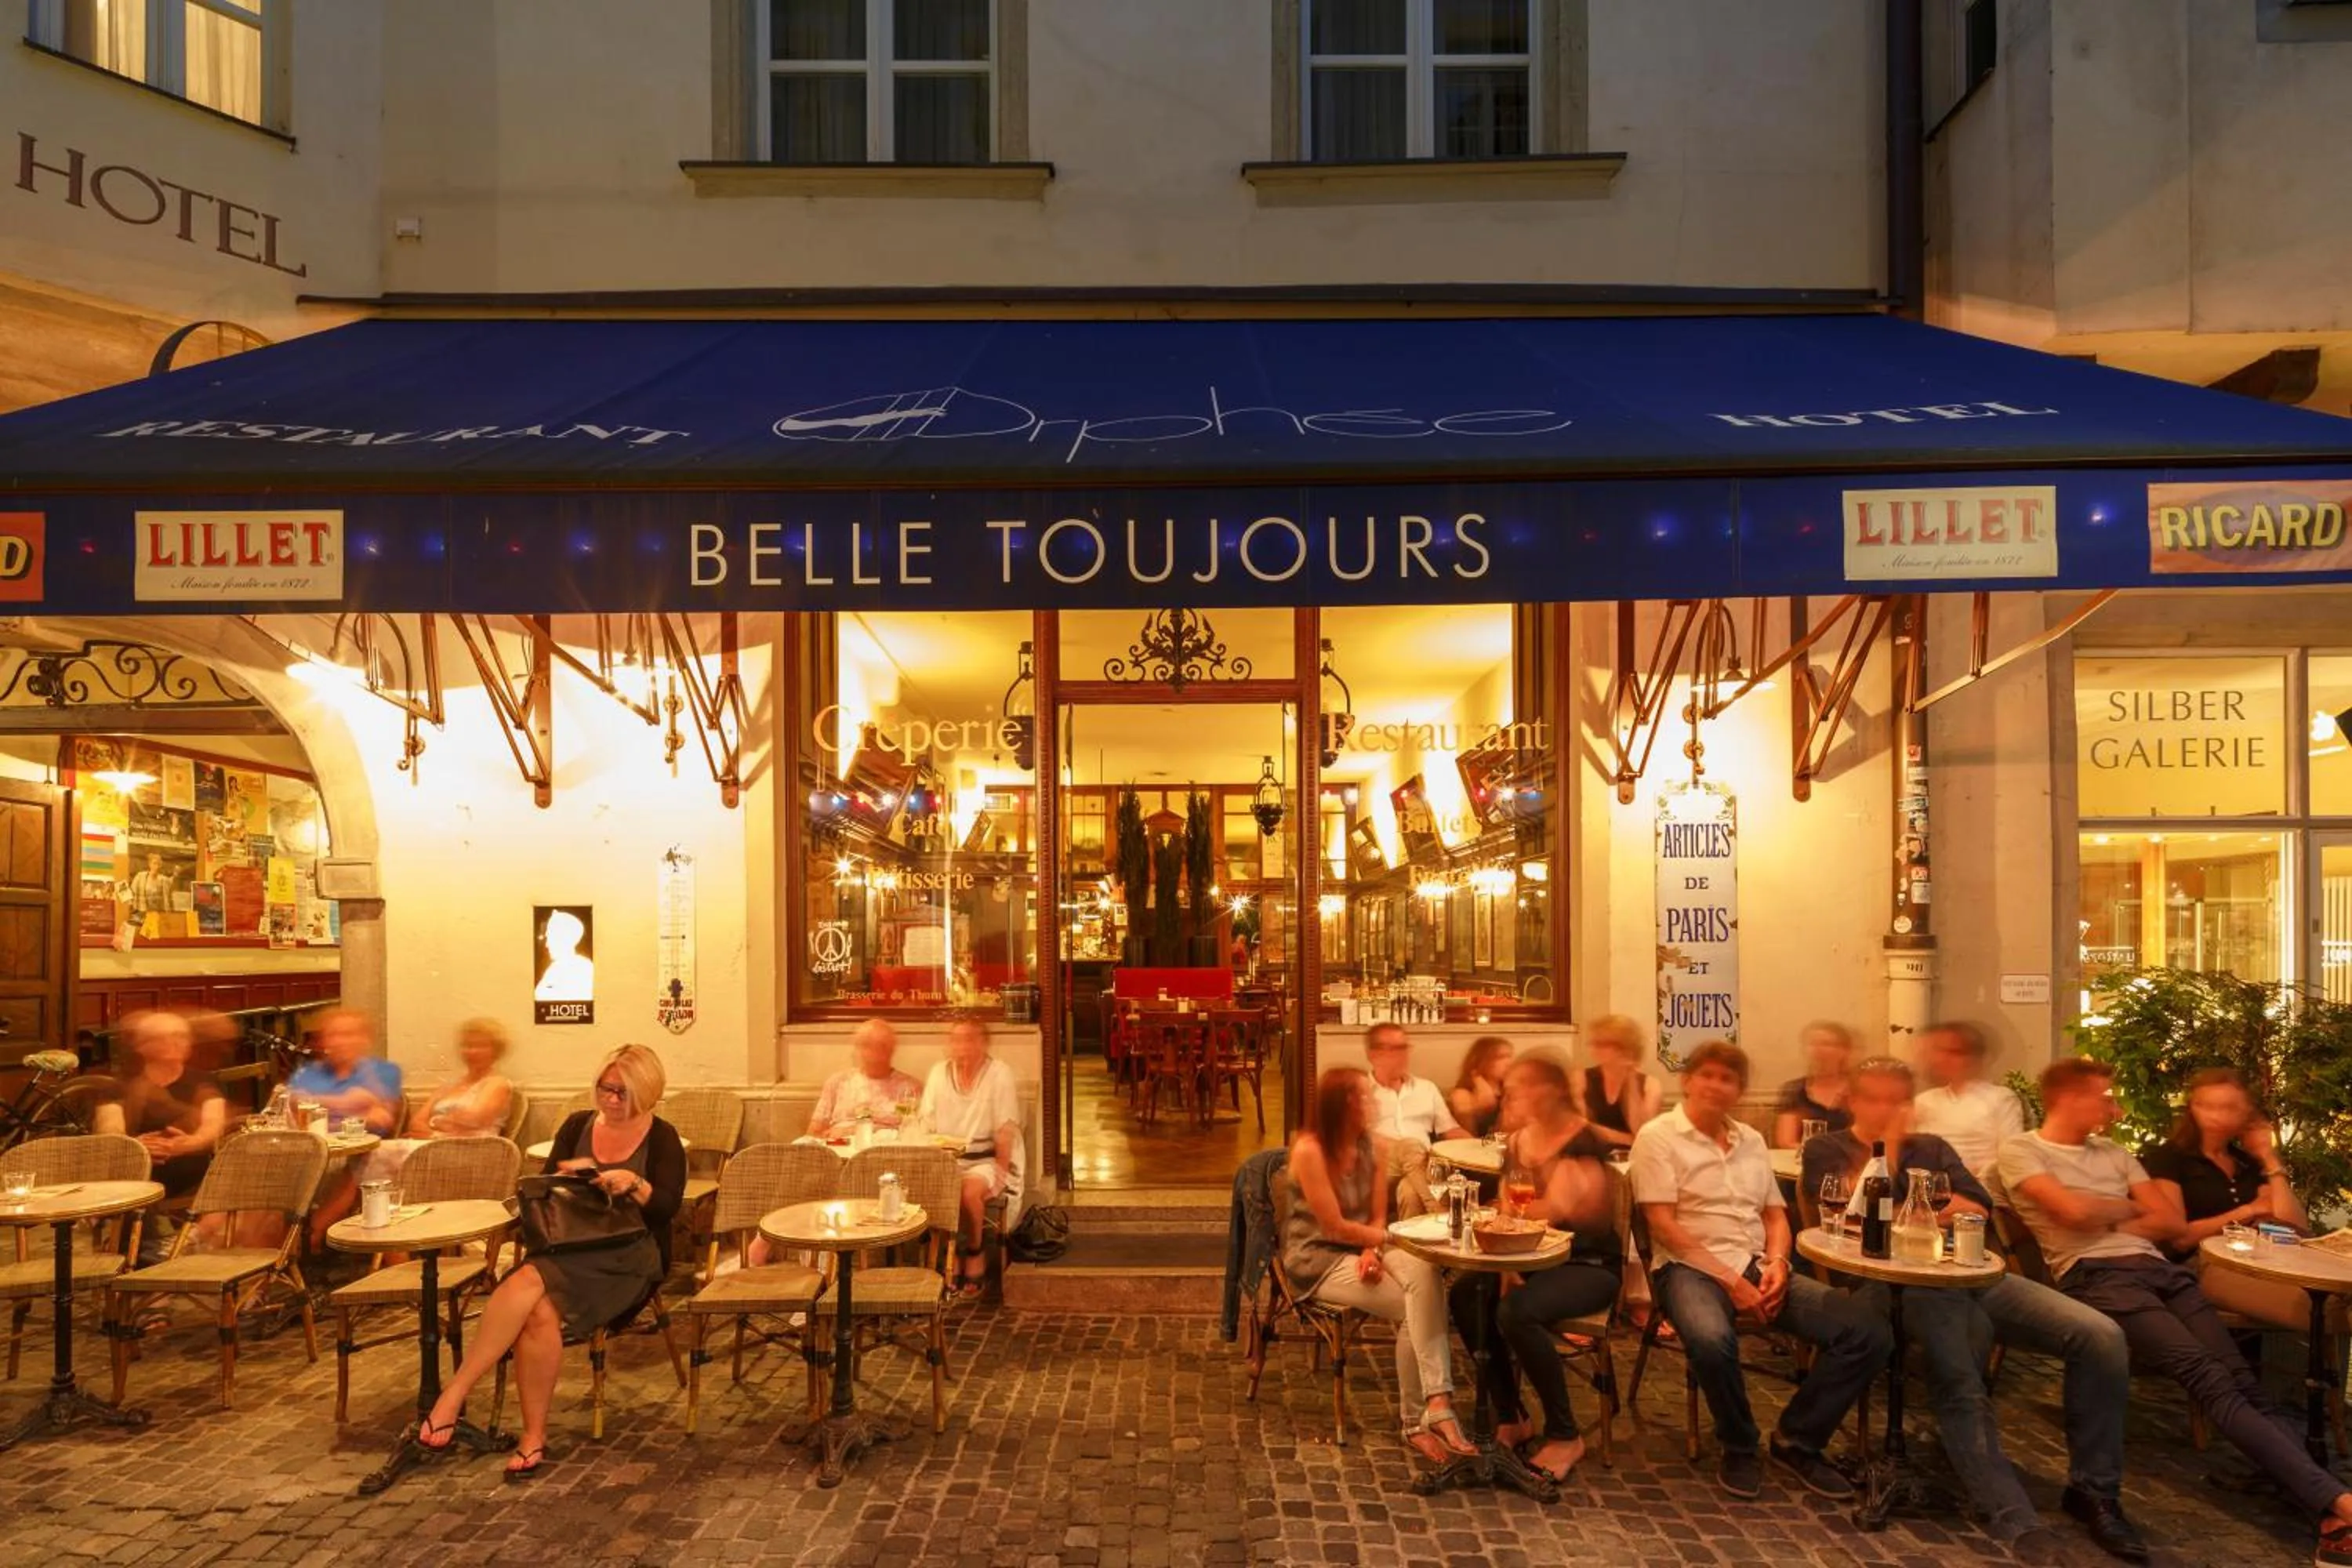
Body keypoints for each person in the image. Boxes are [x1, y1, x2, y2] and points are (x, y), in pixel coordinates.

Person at [2001, 1058, 2352, 1567]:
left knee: (2243, 1384)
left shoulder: (2115, 1153)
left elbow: (2167, 1221)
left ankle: (2326, 1510)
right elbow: (2070, 1216)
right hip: (2098, 1276)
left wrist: (2098, 1207)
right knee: (2209, 1379)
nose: (2113, 1105)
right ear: (2069, 1099)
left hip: (2164, 1273)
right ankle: (2339, 1502)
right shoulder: (2022, 1150)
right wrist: (2120, 1209)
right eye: (2104, 1095)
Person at [1803, 1058, 2146, 1564]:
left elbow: (1976, 1207)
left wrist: (1913, 1209)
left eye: (1898, 1099)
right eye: (1874, 1097)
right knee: (1960, 1371)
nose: (1888, 1108)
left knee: (2100, 1336)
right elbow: (1854, 1217)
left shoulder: (1934, 1147)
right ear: (1853, 1100)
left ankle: (2094, 1490)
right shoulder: (1827, 1149)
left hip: (1967, 1272)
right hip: (1892, 1285)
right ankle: (2015, 1518)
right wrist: (1912, 1189)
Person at [1630, 1040, 1889, 1501]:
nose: (1715, 1085)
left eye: (1727, 1078)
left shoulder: (1750, 1140)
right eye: (1706, 1074)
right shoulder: (1658, 1136)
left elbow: (1775, 1216)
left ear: (1740, 1090)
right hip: (1688, 1268)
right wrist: (1732, 1282)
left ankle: (1798, 1438)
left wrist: (1778, 1264)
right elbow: (1662, 1225)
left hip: (1754, 1262)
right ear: (1687, 1081)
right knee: (1711, 1338)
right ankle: (1740, 1443)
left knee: (1868, 1333)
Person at [418, 1043, 684, 1481]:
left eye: (623, 1093)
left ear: (647, 1093)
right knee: (538, 1309)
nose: (612, 1100)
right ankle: (528, 1434)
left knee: (530, 1284)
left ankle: (455, 1400)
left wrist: (634, 1182)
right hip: (569, 1243)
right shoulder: (578, 1124)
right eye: (606, 1089)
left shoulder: (662, 1137)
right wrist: (568, 1178)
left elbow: (667, 1210)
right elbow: (546, 1190)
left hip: (628, 1255)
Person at [1282, 1065, 1475, 1467]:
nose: (1373, 1102)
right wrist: (1386, 1241)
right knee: (1414, 1307)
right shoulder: (1309, 1150)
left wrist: (1374, 1250)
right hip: (1318, 1256)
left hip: (1366, 1245)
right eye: (1364, 1097)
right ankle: (1416, 1420)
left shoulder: (1375, 1147)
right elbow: (1333, 1226)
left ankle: (1436, 1403)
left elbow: (1375, 1217)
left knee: (1425, 1273)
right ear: (1344, 1105)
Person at [1446, 1051, 1618, 1484]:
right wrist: (1506, 1265)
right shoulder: (1520, 1140)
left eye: (1522, 1084)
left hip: (1586, 1263)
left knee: (1515, 1312)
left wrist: (1515, 1227)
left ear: (1552, 1090)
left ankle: (1564, 1433)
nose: (1512, 1092)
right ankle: (1511, 1413)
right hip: (1529, 1255)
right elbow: (1512, 1205)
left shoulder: (1583, 1142)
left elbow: (1555, 1211)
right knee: (1467, 1293)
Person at [2143, 1067, 2318, 1332]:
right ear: (2193, 1108)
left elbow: (2294, 1226)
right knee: (2318, 1308)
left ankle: (2324, 1371)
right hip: (2199, 1266)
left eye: (2229, 1108)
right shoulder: (2169, 1158)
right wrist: (2250, 1210)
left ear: (2246, 1113)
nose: (2218, 1116)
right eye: (2208, 1106)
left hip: (2261, 1260)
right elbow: (2180, 1238)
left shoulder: (2245, 1163)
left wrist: (2268, 1156)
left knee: (2332, 1296)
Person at [93, 1011, 225, 1261]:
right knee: (134, 1180)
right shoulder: (119, 1084)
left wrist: (187, 1144)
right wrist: (136, 1148)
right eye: (164, 1038)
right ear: (143, 1046)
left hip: (191, 1167)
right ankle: (143, 1257)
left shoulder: (202, 1082)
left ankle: (154, 1252)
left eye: (181, 1037)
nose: (175, 1043)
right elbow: (110, 1128)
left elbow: (213, 1125)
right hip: (139, 1167)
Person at [920, 1017, 1022, 1298]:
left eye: (970, 1039)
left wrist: (1001, 1174)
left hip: (987, 1159)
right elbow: (925, 1123)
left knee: (967, 1191)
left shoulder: (999, 1073)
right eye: (957, 1039)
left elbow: (1005, 1129)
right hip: (946, 1160)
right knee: (927, 1187)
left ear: (983, 1042)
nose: (963, 1046)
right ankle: (940, 1258)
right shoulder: (938, 1073)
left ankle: (972, 1251)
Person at [289, 1010, 406, 1247]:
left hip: (359, 1153)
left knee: (360, 1166)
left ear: (365, 1039)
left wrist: (318, 1105)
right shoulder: (308, 1073)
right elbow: (290, 1104)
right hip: (306, 1151)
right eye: (333, 1035)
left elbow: (382, 1119)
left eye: (348, 1034)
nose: (340, 1041)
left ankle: (305, 1239)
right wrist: (349, 1104)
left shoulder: (383, 1071)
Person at [360, 1018, 517, 1185]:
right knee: (370, 1152)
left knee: (379, 1153)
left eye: (480, 1046)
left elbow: (475, 1119)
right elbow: (416, 1123)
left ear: (496, 1051)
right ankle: (381, 1204)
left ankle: (384, 1204)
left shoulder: (497, 1083)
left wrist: (434, 1123)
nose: (472, 1051)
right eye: (468, 1046)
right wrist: (441, 1130)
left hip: (474, 1151)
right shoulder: (449, 1086)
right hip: (434, 1145)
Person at [1911, 1019, 2024, 1181]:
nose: (1942, 1059)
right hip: (1928, 1190)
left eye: (1953, 1053)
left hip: (1982, 1191)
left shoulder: (2000, 1099)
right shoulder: (1923, 1101)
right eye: (1938, 1052)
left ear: (1973, 1058)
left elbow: (2011, 1158)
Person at [808, 1019, 923, 1139]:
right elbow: (814, 1131)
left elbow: (912, 1132)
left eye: (883, 1046)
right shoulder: (838, 1082)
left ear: (892, 1049)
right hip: (841, 1151)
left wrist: (863, 1129)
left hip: (886, 1151)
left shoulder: (909, 1088)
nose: (877, 1051)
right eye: (867, 1045)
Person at [1364, 1023, 1465, 1146]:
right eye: (1395, 1049)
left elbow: (1449, 1130)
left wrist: (1480, 1147)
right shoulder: (1359, 1092)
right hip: (1379, 1161)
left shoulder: (1426, 1089)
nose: (1404, 1055)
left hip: (1422, 1159)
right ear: (1373, 1054)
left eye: (1405, 1048)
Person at [1575, 1014, 1661, 1151]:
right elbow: (1581, 1130)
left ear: (1624, 1048)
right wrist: (1627, 1139)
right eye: (1594, 1042)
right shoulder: (1581, 1078)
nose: (1594, 1048)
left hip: (1634, 1159)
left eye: (1602, 1043)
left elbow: (1643, 1135)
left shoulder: (1650, 1085)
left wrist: (1631, 1079)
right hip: (1594, 1156)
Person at [1771, 1021, 1854, 1148]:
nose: (1819, 1049)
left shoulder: (1859, 1088)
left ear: (1845, 1051)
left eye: (1827, 1044)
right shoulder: (1795, 1090)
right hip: (1805, 1161)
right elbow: (1786, 1141)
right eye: (1814, 1044)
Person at [1445, 1035, 1513, 1140]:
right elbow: (1466, 1134)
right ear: (1482, 1061)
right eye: (1500, 1058)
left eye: (1510, 1056)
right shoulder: (1462, 1094)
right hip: (1475, 1148)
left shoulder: (1511, 1090)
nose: (1508, 1063)